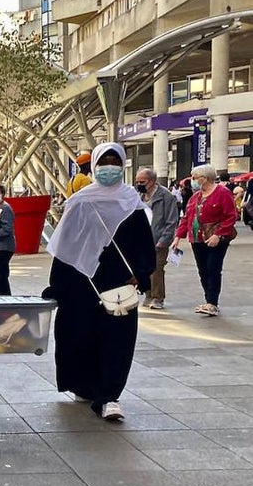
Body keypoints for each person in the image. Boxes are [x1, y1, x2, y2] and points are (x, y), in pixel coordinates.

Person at [44, 142, 155, 422]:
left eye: (114, 162)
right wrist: (57, 286)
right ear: (94, 166)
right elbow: (66, 247)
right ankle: (86, 386)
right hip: (81, 283)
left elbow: (144, 244)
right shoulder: (80, 201)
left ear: (123, 165)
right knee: (79, 337)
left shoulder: (132, 203)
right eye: (103, 162)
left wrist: (141, 275)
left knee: (117, 341)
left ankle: (109, 396)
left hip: (119, 284)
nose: (109, 168)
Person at [172, 163, 238, 317]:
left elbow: (231, 215)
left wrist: (219, 234)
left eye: (195, 178)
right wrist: (178, 237)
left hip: (216, 238)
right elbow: (187, 218)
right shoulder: (196, 196)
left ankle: (212, 303)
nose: (193, 180)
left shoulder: (222, 193)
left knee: (213, 268)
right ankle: (208, 300)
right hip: (197, 238)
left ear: (205, 178)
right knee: (203, 270)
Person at [133, 167, 179, 310]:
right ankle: (148, 293)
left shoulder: (166, 196)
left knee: (156, 269)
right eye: (137, 181)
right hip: (141, 240)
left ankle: (158, 297)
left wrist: (164, 240)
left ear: (152, 181)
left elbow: (172, 220)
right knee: (142, 269)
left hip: (158, 240)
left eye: (142, 181)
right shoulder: (138, 196)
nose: (139, 184)